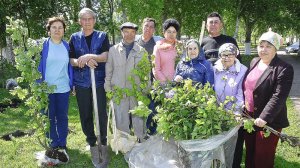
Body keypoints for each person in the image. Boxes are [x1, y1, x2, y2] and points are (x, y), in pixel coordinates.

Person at [243, 30, 294, 168]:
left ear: (276, 48)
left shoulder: (284, 68)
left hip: (268, 120)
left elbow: (279, 96)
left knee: (263, 156)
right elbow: (248, 87)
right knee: (250, 151)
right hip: (249, 116)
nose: (263, 49)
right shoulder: (254, 61)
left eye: (268, 46)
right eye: (261, 45)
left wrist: (264, 117)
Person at [69, 8, 109, 167]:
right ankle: (92, 142)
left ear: (94, 20)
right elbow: (71, 59)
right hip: (81, 82)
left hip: (98, 81)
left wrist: (90, 56)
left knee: (101, 113)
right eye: (83, 19)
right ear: (80, 21)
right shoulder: (74, 37)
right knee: (85, 114)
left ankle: (103, 142)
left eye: (89, 19)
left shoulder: (102, 36)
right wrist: (81, 60)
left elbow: (105, 57)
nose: (87, 22)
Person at [105, 22, 148, 142]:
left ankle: (140, 141)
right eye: (126, 32)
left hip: (136, 92)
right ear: (121, 32)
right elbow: (109, 71)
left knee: (139, 118)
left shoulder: (141, 51)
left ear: (135, 34)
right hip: (119, 92)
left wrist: (145, 89)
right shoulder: (113, 51)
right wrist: (108, 89)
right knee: (121, 119)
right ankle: (124, 143)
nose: (129, 35)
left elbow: (146, 73)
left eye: (132, 32)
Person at [38, 16, 72, 163]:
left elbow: (69, 66)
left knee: (62, 116)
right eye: (54, 27)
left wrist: (72, 84)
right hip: (46, 89)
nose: (57, 30)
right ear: (49, 30)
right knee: (48, 117)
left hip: (63, 87)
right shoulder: (42, 46)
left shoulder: (66, 46)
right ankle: (53, 143)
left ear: (64, 30)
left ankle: (62, 142)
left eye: (60, 28)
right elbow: (36, 67)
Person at [213, 43, 247, 168]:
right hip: (215, 113)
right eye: (224, 55)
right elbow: (211, 89)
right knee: (216, 145)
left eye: (230, 54)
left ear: (236, 55)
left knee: (230, 146)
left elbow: (240, 95)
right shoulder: (215, 69)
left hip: (232, 115)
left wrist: (236, 113)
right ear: (220, 55)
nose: (227, 57)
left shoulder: (242, 70)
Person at [136, 17, 162, 135]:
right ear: (142, 26)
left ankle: (151, 133)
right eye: (146, 26)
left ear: (154, 30)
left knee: (152, 109)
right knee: (139, 108)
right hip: (137, 81)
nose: (148, 28)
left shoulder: (158, 41)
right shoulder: (135, 41)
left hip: (154, 82)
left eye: (151, 27)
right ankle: (138, 132)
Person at [153, 18, 180, 83]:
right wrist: (167, 83)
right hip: (164, 85)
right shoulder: (158, 47)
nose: (171, 34)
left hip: (179, 84)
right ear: (164, 33)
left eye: (174, 32)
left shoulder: (180, 46)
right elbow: (156, 70)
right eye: (169, 31)